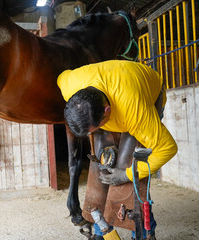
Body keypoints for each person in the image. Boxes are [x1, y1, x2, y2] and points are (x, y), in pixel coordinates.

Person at [57, 60, 178, 239]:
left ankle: (143, 233)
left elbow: (168, 148)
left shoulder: (137, 113)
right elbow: (60, 75)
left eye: (95, 127)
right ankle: (101, 229)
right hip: (113, 96)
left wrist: (127, 174)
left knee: (133, 167)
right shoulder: (69, 85)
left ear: (107, 111)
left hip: (142, 95)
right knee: (101, 166)